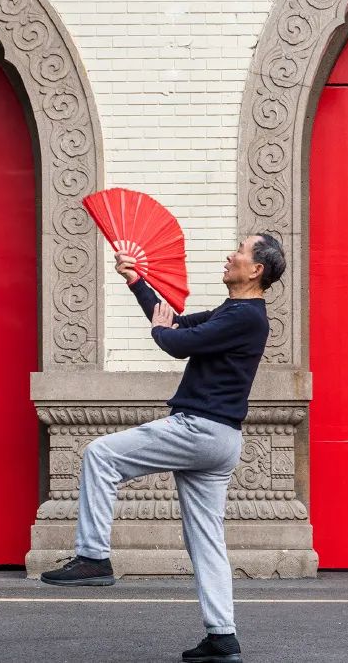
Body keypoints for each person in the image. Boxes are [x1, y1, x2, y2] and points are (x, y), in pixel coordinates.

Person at [40, 232, 286, 663]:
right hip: (219, 439)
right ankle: (222, 638)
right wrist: (136, 281)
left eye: (240, 251)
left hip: (199, 429)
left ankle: (94, 557)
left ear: (256, 269)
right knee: (206, 540)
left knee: (101, 453)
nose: (230, 255)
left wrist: (160, 330)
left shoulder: (247, 316)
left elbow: (176, 341)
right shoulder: (235, 312)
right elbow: (178, 321)